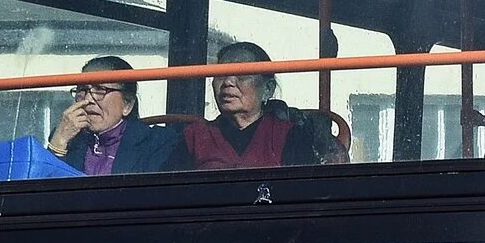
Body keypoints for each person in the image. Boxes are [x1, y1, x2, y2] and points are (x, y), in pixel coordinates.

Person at [175, 41, 319, 170]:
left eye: (241, 74)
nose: (228, 82)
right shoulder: (194, 136)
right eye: (220, 74)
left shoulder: (290, 135)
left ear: (268, 89)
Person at [44, 57, 179, 178]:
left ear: (127, 104)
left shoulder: (158, 142)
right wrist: (58, 143)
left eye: (101, 89)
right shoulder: (67, 138)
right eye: (82, 90)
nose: (88, 99)